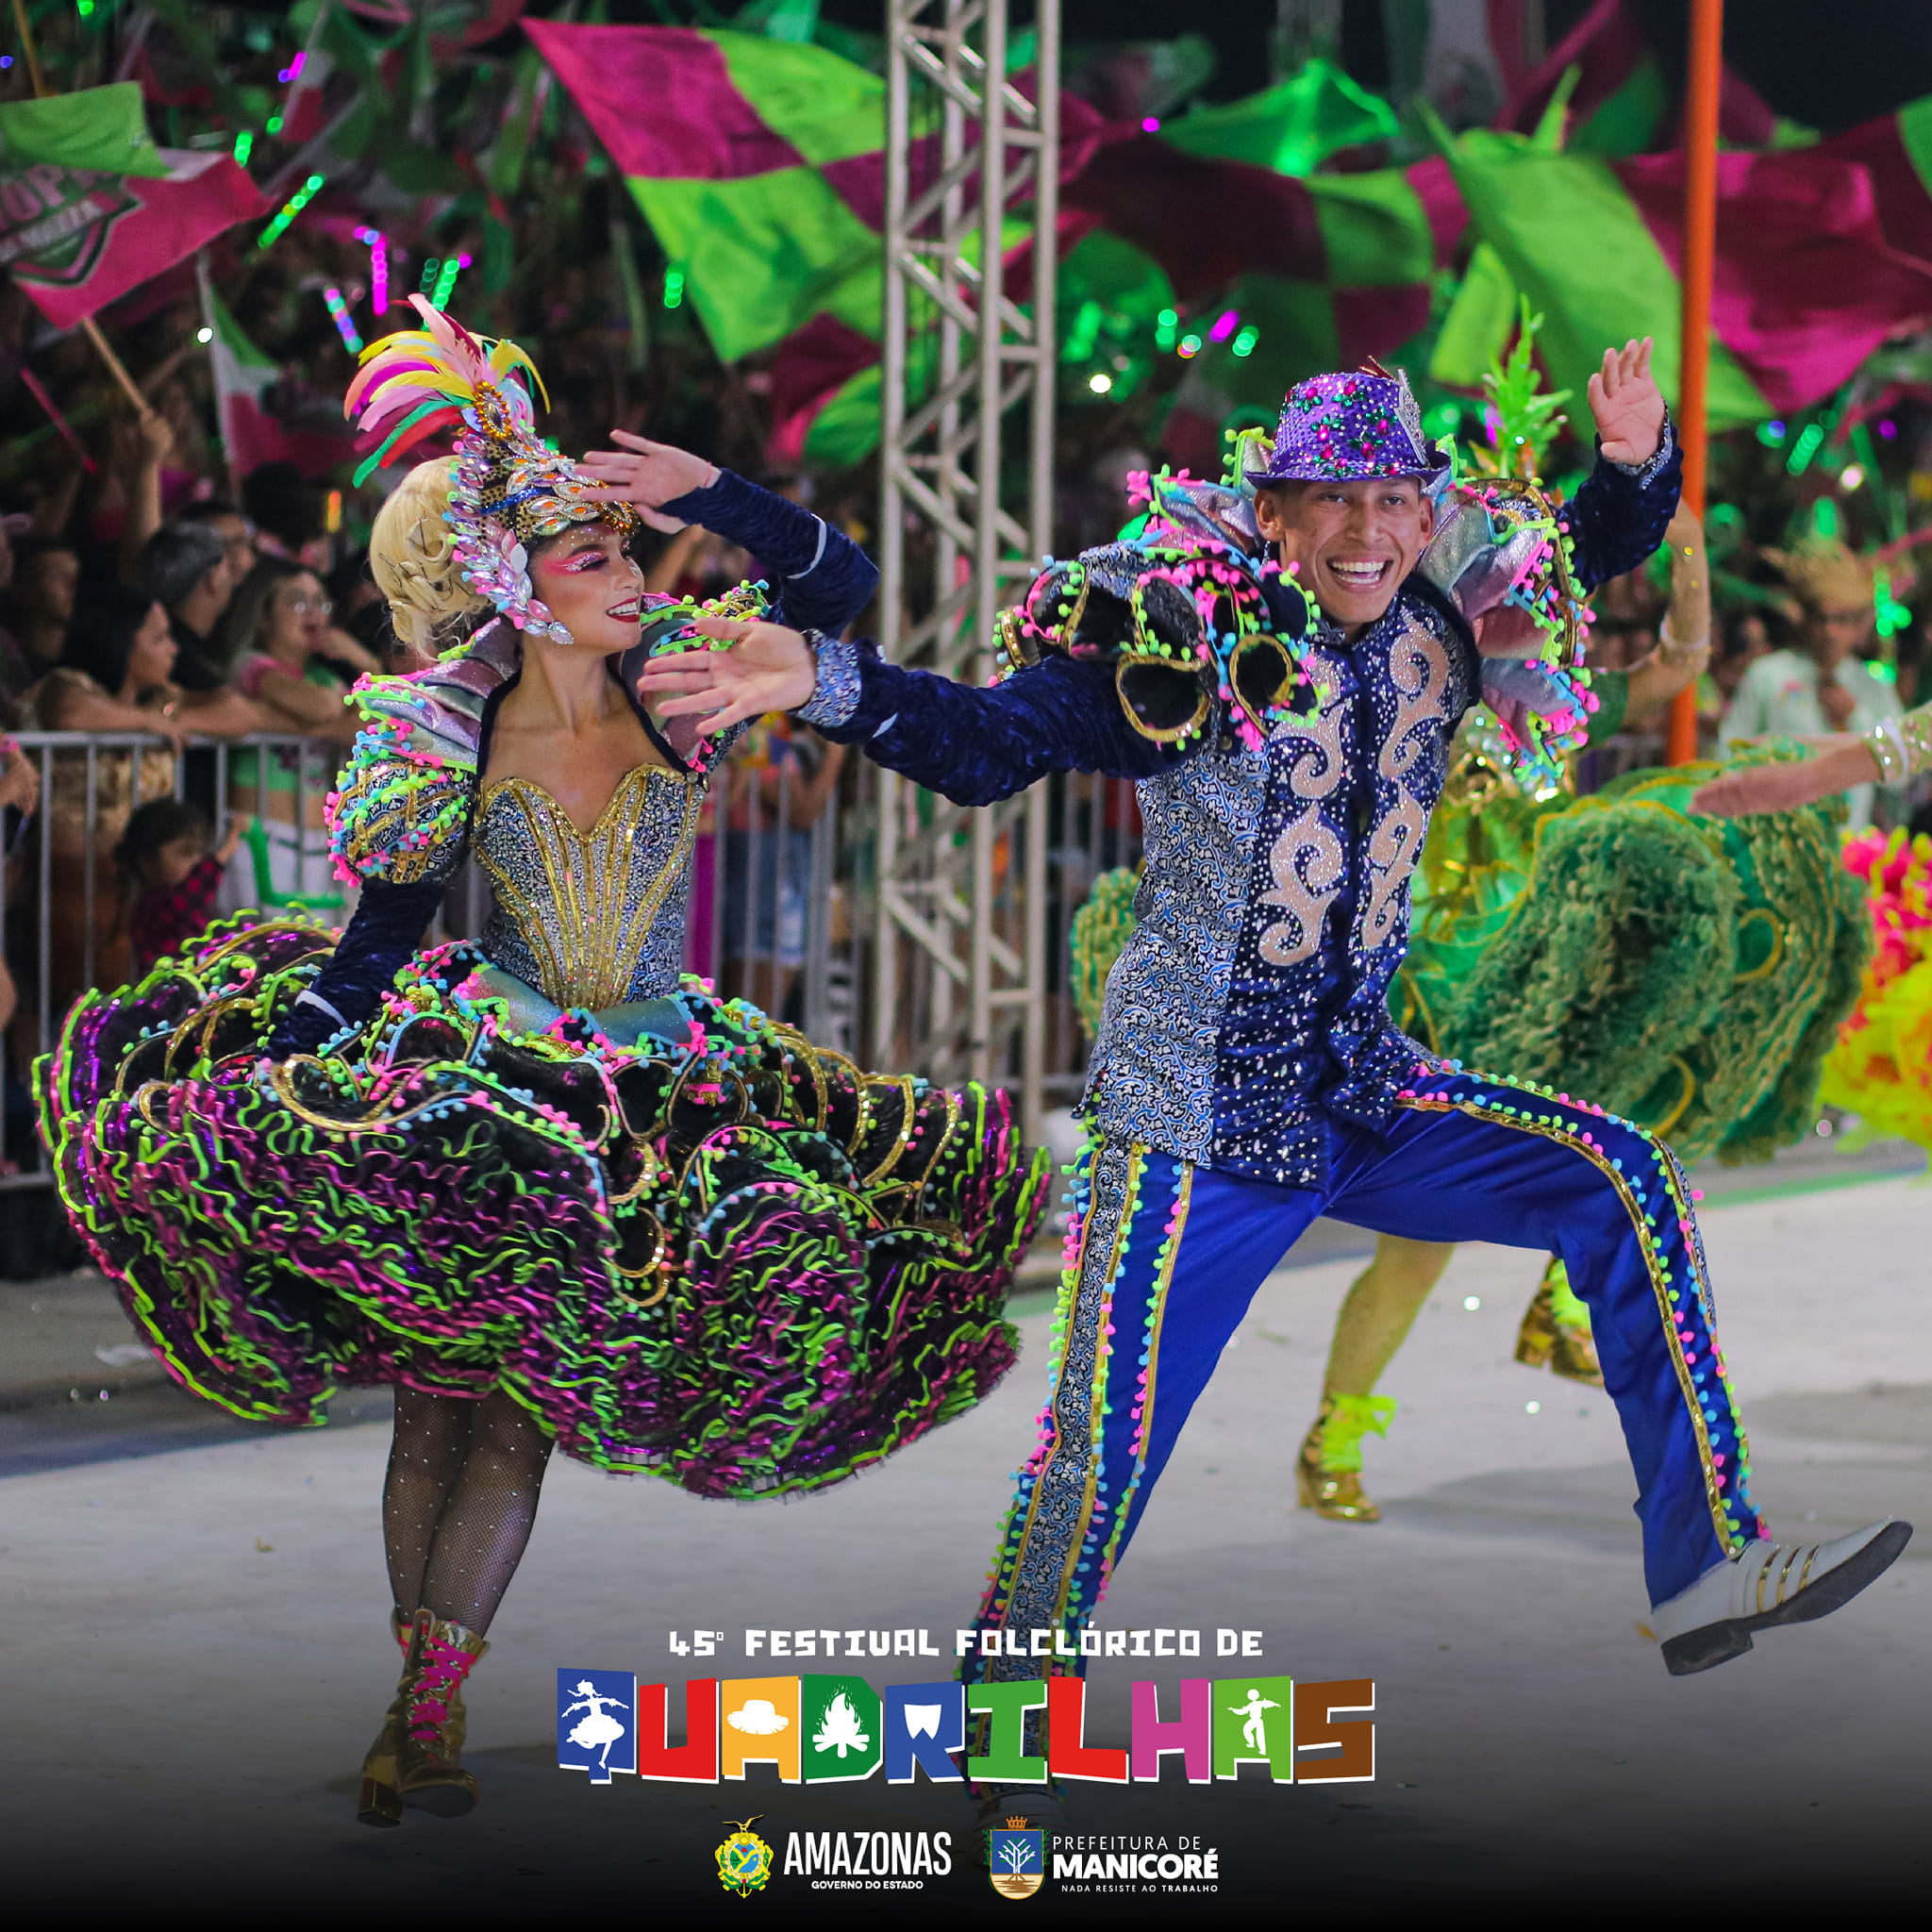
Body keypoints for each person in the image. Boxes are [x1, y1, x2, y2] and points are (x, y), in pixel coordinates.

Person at [632, 343, 1911, 1747]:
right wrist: (827, 679)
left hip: (1369, 1090)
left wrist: (1634, 455)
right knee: (1101, 1453)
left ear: (1426, 513)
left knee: (1623, 1175)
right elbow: (993, 742)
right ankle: (1003, 1728)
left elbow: (1591, 544)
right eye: (1331, 501)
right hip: (1193, 1122)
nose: (1366, 531)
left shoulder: (1446, 619)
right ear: (1273, 515)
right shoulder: (1199, 645)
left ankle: (1704, 1564)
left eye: (1392, 500)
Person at [37, 299, 1046, 1830]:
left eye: (627, 548)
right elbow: (371, 947)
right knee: (433, 1409)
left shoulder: (686, 680)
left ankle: (426, 1706)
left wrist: (712, 490)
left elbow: (838, 587)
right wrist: (269, 1085)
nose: (634, 575)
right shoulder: (442, 728)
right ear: (514, 581)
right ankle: (418, 1686)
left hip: (646, 1107)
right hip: (492, 1098)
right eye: (595, 555)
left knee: (509, 1412)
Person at [1720, 540, 1900, 827]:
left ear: (1859, 626)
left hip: (1848, 842)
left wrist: (1856, 717)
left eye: (1841, 620)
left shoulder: (1872, 687)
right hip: (1775, 837)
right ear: (1804, 618)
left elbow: (1899, 775)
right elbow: (1729, 754)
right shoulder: (1768, 675)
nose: (1830, 631)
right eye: (1822, 618)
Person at [115, 797, 248, 978]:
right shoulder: (163, 903)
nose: (197, 860)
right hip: (172, 983)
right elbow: (198, 886)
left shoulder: (159, 899)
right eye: (184, 853)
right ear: (147, 862)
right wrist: (227, 849)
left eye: (198, 851)